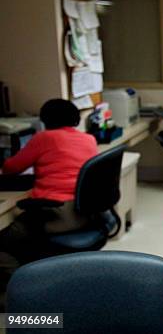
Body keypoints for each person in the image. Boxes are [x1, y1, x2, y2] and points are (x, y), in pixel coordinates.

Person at [0, 98, 98, 309]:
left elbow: (10, 168)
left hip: (55, 214)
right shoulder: (89, 139)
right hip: (84, 213)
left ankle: (19, 292)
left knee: (4, 242)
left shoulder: (44, 138)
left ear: (45, 120)